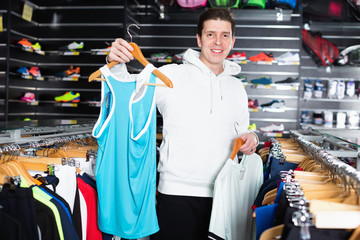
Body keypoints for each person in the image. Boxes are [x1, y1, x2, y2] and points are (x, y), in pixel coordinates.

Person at [106, 8, 258, 240]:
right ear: (198, 38)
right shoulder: (171, 74)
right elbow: (128, 94)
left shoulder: (237, 87)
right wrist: (113, 62)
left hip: (225, 197)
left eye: (225, 35)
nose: (218, 41)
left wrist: (252, 139)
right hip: (176, 195)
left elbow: (243, 131)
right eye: (210, 34)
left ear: (233, 40)